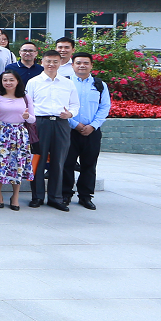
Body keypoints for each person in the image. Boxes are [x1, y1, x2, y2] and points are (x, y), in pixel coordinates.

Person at [27, 51, 78, 211]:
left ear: (60, 63)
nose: (51, 64)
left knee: (58, 161)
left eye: (55, 61)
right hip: (40, 123)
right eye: (48, 61)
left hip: (61, 123)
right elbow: (28, 104)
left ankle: (55, 198)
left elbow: (75, 104)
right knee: (38, 160)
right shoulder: (33, 82)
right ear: (42, 62)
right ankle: (37, 196)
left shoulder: (68, 83)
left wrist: (70, 114)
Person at [65, 51, 110, 211]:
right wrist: (75, 124)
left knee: (89, 165)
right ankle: (65, 194)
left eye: (85, 63)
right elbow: (61, 106)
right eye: (78, 63)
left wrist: (93, 125)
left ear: (91, 65)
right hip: (69, 130)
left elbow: (104, 107)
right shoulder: (66, 83)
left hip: (92, 131)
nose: (82, 66)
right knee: (67, 164)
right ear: (72, 65)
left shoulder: (99, 85)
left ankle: (85, 196)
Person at [0, 70, 34, 210]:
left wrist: (27, 117)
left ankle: (15, 196)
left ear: (17, 81)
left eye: (11, 80)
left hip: (19, 134)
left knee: (17, 165)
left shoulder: (25, 97)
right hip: (0, 134)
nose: (8, 83)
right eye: (5, 80)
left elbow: (33, 118)